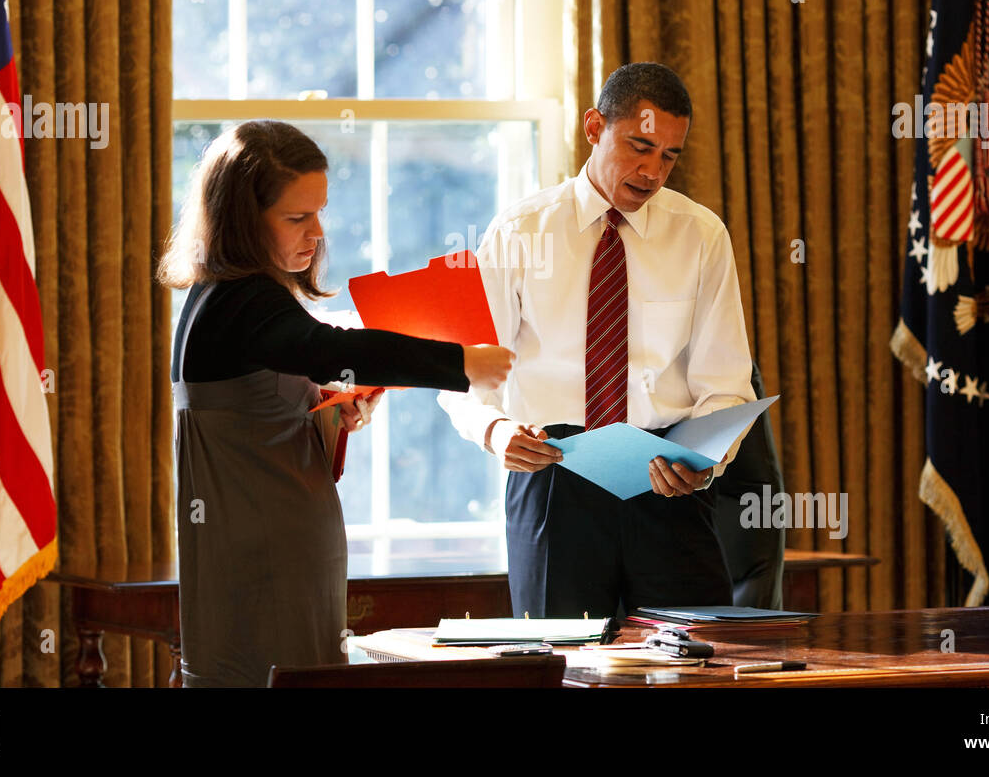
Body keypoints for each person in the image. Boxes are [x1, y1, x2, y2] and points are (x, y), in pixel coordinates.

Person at [157, 120, 513, 686]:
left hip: (271, 538)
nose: (317, 231)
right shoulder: (243, 297)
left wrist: (327, 403)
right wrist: (459, 363)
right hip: (264, 552)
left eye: (319, 212)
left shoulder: (227, 293)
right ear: (242, 220)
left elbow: (271, 387)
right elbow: (329, 350)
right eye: (297, 217)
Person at [438, 62, 756, 619]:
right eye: (639, 146)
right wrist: (495, 431)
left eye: (669, 156)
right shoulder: (519, 232)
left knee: (692, 669)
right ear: (593, 128)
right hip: (553, 477)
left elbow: (726, 384)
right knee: (559, 665)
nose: (653, 171)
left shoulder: (701, 235)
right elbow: (462, 372)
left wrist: (707, 459)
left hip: (667, 483)